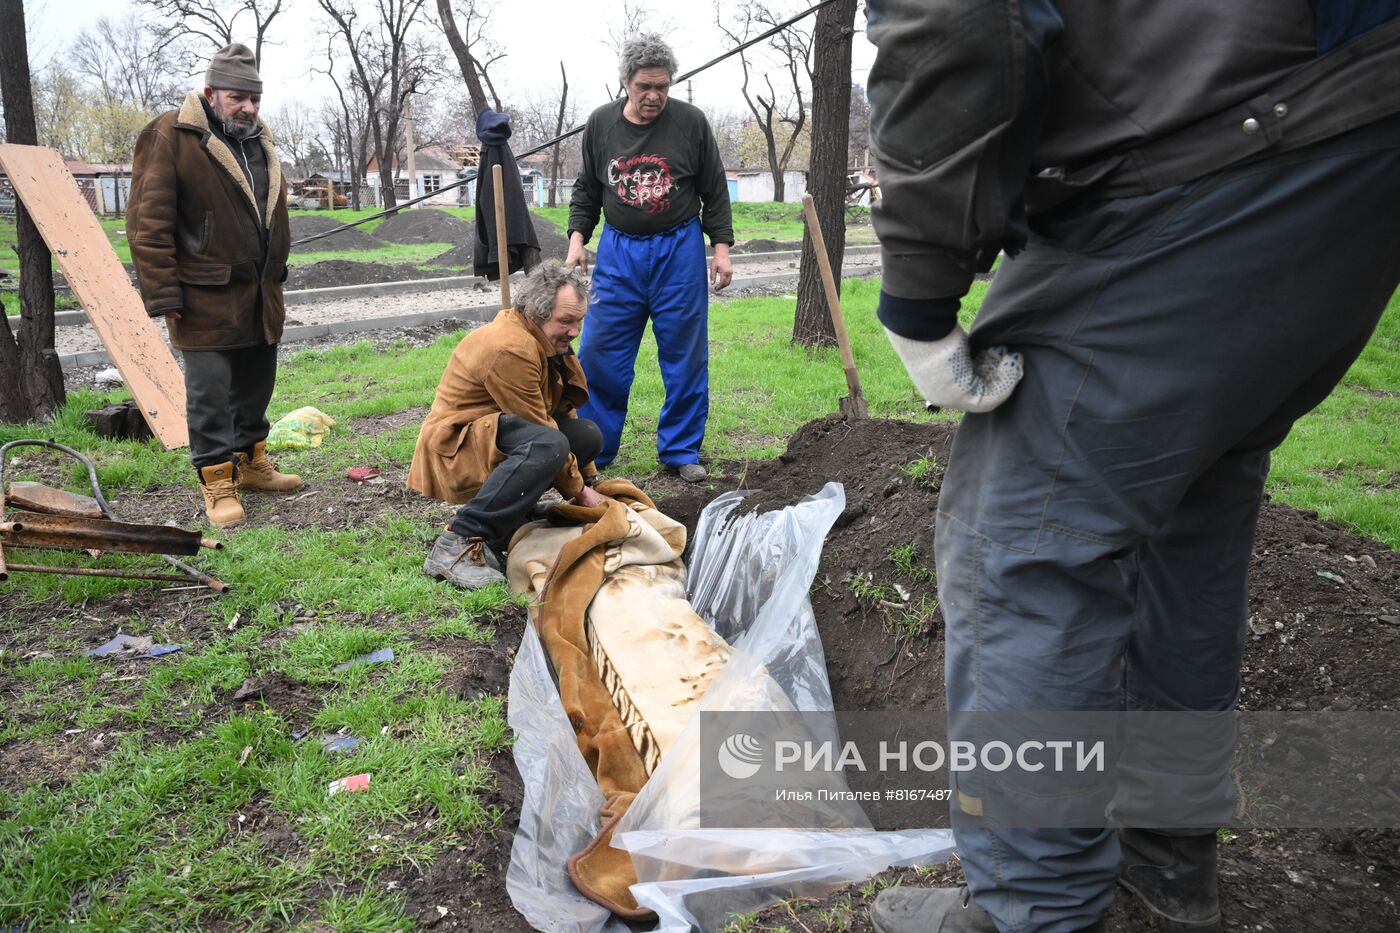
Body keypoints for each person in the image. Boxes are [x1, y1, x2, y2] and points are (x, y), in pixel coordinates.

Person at [863, 3, 1400, 932]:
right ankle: (1165, 859)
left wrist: (918, 284)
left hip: (1211, 155)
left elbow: (957, 16)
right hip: (1352, 143)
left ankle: (1037, 909)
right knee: (1190, 512)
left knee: (1019, 547)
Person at [127, 44, 299, 529]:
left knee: (256, 386)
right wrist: (163, 294)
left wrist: (276, 271)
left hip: (260, 293)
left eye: (254, 99)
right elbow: (147, 222)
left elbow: (272, 212)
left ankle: (251, 465)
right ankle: (217, 480)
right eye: (237, 97)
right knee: (209, 395)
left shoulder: (259, 140)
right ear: (211, 93)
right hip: (202, 297)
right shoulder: (171, 135)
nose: (247, 108)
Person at [565, 33, 734, 484]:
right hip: (619, 251)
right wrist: (578, 239)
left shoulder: (691, 123)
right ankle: (596, 448)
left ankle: (680, 449)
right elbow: (587, 189)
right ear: (625, 82)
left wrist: (720, 250)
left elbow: (714, 191)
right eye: (645, 87)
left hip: (678, 249)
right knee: (599, 352)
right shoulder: (600, 125)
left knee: (685, 353)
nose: (654, 96)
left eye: (662, 86)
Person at [408, 263, 611, 590]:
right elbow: (540, 427)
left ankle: (517, 515)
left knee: (585, 437)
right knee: (551, 446)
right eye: (566, 321)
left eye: (579, 321)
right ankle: (457, 541)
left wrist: (590, 478)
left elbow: (561, 411)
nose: (575, 331)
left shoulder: (546, 338)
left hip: (491, 435)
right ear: (537, 312)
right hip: (454, 448)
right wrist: (581, 493)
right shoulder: (511, 347)